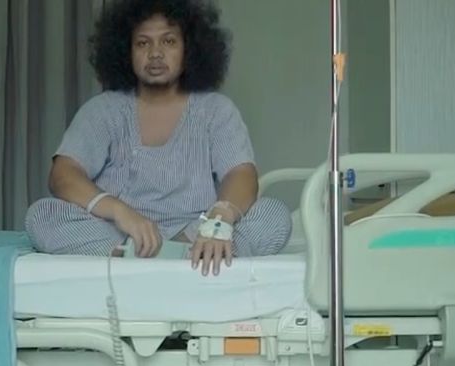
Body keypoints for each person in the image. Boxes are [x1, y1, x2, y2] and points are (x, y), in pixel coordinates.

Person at [26, 0, 292, 276]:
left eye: (168, 41)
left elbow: (241, 174)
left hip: (199, 235)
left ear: (189, 49)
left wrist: (219, 222)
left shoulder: (216, 110)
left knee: (273, 214)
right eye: (143, 43)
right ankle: (142, 258)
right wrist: (121, 212)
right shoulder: (102, 110)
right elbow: (63, 175)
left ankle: (180, 256)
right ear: (126, 51)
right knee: (42, 215)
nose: (155, 53)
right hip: (120, 235)